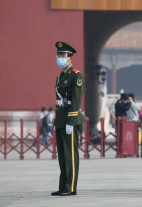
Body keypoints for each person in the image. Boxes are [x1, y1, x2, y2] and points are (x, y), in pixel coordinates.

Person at [51, 41, 84, 196]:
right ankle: (63, 186)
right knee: (62, 154)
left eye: (62, 55)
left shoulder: (76, 76)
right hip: (60, 119)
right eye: (58, 55)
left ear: (70, 57)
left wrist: (70, 121)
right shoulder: (60, 77)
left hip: (69, 120)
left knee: (70, 153)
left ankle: (70, 187)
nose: (59, 58)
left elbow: (76, 101)